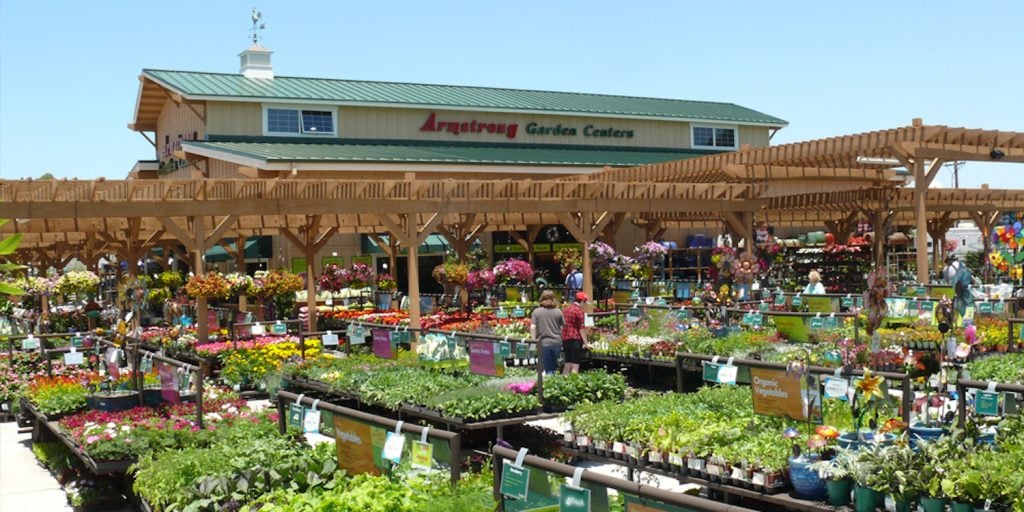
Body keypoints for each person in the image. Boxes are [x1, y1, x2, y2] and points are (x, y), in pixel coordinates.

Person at [530, 290, 564, 375]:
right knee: (560, 366)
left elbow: (533, 327)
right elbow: (562, 327)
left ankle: (550, 384)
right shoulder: (558, 311)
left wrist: (533, 341)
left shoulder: (536, 312)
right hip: (557, 342)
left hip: (543, 342)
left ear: (541, 298)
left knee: (549, 367)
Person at [561, 292, 589, 374]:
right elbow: (581, 328)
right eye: (585, 303)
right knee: (575, 365)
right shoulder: (579, 312)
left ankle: (561, 383)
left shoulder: (566, 310)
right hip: (575, 340)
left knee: (567, 363)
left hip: (565, 339)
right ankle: (574, 384)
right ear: (582, 301)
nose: (585, 305)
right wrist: (586, 343)